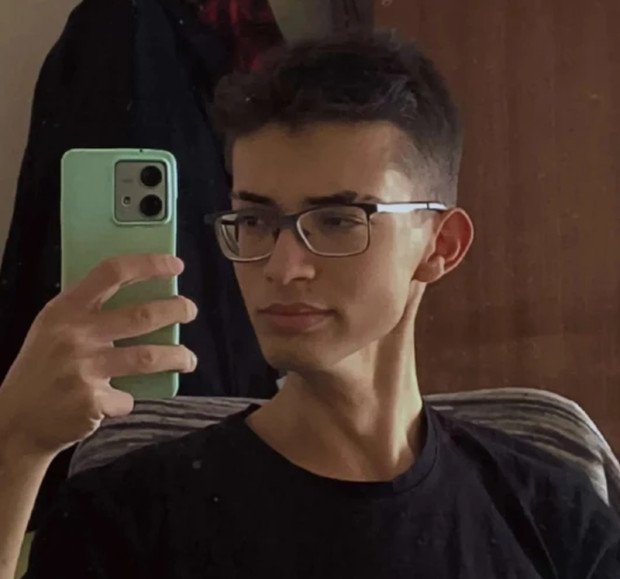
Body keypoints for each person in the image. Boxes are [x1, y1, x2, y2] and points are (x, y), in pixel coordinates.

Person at [0, 29, 619, 579]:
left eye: (337, 220)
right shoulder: (128, 516)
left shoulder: (553, 512)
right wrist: (16, 443)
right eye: (255, 221)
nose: (282, 266)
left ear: (440, 246)